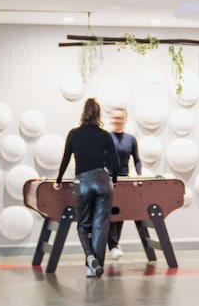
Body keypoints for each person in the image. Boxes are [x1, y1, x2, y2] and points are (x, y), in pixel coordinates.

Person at [55, 98, 120, 277]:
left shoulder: (73, 134)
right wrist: (113, 180)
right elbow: (115, 162)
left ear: (83, 112)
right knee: (100, 226)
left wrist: (58, 180)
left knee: (83, 224)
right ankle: (94, 267)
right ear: (98, 114)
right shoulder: (105, 135)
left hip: (81, 182)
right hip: (103, 181)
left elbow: (66, 158)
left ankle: (90, 257)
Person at [105, 107, 141, 260]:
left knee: (120, 212)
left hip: (123, 180)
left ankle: (114, 244)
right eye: (114, 118)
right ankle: (113, 245)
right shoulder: (105, 137)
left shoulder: (131, 139)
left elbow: (137, 160)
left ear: (125, 120)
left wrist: (139, 175)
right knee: (106, 212)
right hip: (106, 179)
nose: (117, 121)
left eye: (120, 118)